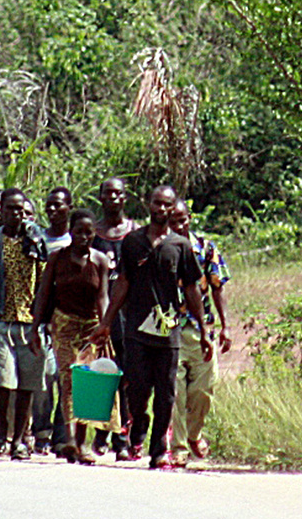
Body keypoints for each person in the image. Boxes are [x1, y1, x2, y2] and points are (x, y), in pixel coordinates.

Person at [91, 185, 212, 470]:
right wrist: (107, 321)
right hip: (137, 330)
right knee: (138, 389)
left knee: (167, 393)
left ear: (173, 208)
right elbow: (122, 283)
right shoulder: (133, 242)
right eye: (156, 203)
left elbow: (193, 289)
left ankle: (159, 450)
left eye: (166, 205)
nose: (161, 209)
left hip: (169, 332)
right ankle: (138, 426)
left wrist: (205, 331)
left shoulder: (179, 246)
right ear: (148, 204)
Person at [29, 208, 111, 464]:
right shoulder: (57, 258)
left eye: (89, 232)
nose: (84, 237)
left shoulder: (99, 261)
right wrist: (35, 327)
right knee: (68, 380)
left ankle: (83, 442)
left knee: (88, 382)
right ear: (70, 232)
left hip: (91, 326)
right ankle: (71, 440)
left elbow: (103, 296)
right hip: (63, 324)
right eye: (79, 232)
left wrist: (105, 326)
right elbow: (43, 293)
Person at [0, 187, 49, 460]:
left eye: (20, 209)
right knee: (2, 380)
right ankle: (1, 430)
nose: (15, 214)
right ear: (1, 210)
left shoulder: (35, 239)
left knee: (26, 384)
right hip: (0, 320)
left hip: (29, 323)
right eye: (10, 209)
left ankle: (19, 439)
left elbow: (43, 282)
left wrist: (41, 321)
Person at [169, 200, 231, 465]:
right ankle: (179, 447)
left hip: (200, 328)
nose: (178, 225)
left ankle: (194, 434)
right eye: (173, 220)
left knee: (204, 389)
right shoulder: (161, 248)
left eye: (182, 219)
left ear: (190, 218)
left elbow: (218, 286)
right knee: (175, 391)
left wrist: (225, 326)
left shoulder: (205, 248)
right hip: (169, 327)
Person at [89, 177, 139, 458]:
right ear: (101, 198)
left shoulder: (135, 232)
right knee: (101, 374)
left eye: (118, 194)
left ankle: (123, 436)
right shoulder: (92, 233)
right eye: (107, 193)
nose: (113, 198)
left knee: (127, 378)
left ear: (125, 198)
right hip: (100, 315)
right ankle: (100, 432)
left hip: (129, 315)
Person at [31, 186, 73, 453]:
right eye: (49, 205)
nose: (52, 209)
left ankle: (62, 436)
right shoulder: (38, 241)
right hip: (44, 319)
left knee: (66, 378)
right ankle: (42, 431)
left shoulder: (77, 240)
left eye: (58, 204)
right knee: (44, 377)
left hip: (70, 320)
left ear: (69, 207)